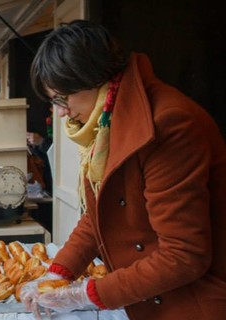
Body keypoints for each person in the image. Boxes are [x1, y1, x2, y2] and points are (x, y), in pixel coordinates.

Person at [21, 20, 226, 319]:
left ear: (90, 78)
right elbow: (99, 216)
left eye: (62, 99)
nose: (61, 111)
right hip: (155, 298)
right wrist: (58, 272)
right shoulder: (107, 125)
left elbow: (184, 254)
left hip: (193, 303)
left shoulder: (167, 125)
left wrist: (88, 293)